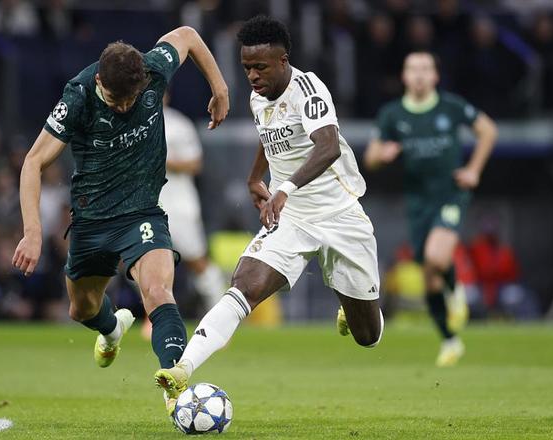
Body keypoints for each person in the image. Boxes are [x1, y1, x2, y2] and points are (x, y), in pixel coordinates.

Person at [155, 15, 384, 415]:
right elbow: (270, 137)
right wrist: (254, 177)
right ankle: (182, 368)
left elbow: (328, 146)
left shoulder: (308, 89)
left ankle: (352, 308)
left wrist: (284, 189)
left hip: (340, 215)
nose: (252, 76)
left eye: (260, 67)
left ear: (283, 61)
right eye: (246, 67)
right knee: (245, 283)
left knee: (368, 335)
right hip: (291, 218)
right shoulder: (257, 98)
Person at [11, 26, 229, 399]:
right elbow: (33, 162)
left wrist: (219, 87)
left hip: (142, 212)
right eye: (117, 100)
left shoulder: (153, 67)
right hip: (92, 220)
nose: (126, 107)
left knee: (158, 291)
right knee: (82, 309)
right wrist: (32, 232)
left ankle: (176, 389)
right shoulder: (78, 97)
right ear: (100, 81)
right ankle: (112, 330)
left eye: (132, 98)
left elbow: (188, 36)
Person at [364, 51, 497, 366]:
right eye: (413, 69)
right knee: (429, 275)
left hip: (450, 194)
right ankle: (450, 340)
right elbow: (369, 159)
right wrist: (382, 155)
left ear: (436, 76)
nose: (420, 74)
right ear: (404, 76)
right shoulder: (392, 114)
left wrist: (474, 170)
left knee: (437, 257)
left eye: (426, 69)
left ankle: (456, 290)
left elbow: (488, 130)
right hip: (417, 203)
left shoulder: (450, 107)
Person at [141, 92, 226, 338]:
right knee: (146, 261)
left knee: (196, 260)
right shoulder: (134, 123)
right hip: (148, 203)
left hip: (179, 204)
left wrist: (162, 160)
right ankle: (154, 318)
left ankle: (220, 317)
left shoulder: (178, 124)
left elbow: (195, 163)